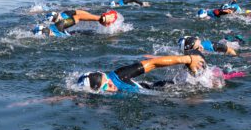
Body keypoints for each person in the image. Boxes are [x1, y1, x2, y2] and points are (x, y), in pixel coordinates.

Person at [77, 54, 206, 93]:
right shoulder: (95, 95)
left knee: (195, 91)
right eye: (105, 87)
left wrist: (188, 58)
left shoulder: (119, 76)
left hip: (159, 88)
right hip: (148, 98)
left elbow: (153, 63)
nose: (111, 85)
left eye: (108, 80)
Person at [33, 9, 119, 36]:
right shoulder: (58, 27)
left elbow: (77, 13)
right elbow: (78, 15)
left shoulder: (56, 28)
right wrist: (100, 18)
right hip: (69, 33)